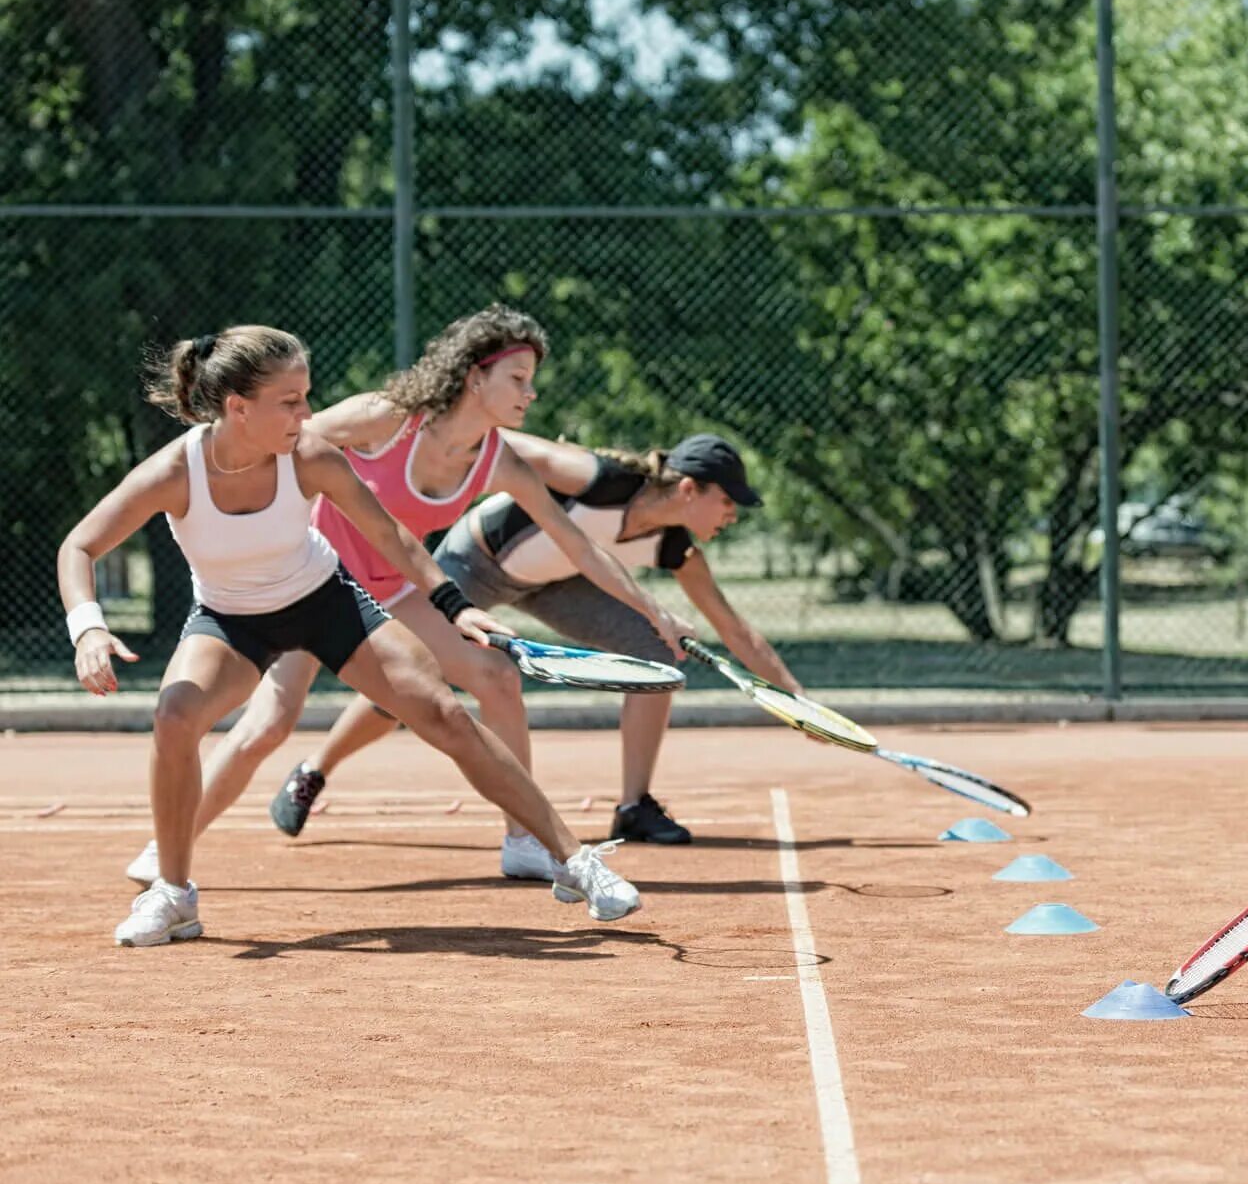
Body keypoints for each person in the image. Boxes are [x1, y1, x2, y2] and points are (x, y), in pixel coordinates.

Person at [60, 325, 639, 946]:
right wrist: (87, 629)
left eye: (306, 396)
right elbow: (81, 545)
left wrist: (455, 607)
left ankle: (574, 861)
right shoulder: (176, 471)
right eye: (290, 401)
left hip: (325, 602)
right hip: (230, 621)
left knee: (442, 711)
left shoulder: (309, 456)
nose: (308, 413)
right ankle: (174, 894)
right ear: (237, 408)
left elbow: (390, 535)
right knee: (175, 713)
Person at [260, 431, 804, 847]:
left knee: (658, 655)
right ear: (689, 489)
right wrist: (438, 437)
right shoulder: (597, 478)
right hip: (474, 561)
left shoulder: (675, 548)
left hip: (553, 584)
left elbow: (735, 628)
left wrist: (796, 701)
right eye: (728, 501)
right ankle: (314, 771)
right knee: (417, 678)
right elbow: (501, 443)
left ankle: (633, 806)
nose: (733, 515)